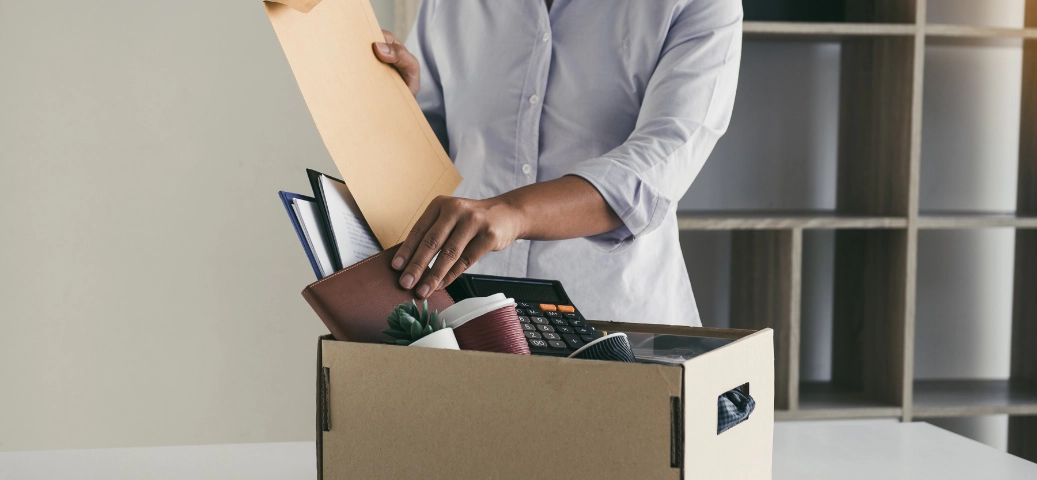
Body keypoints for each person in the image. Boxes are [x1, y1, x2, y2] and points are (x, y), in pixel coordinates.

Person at [372, 0, 742, 326]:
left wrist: (514, 213)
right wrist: (397, 103)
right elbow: (435, 147)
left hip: (615, 325)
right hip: (466, 318)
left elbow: (657, 167)